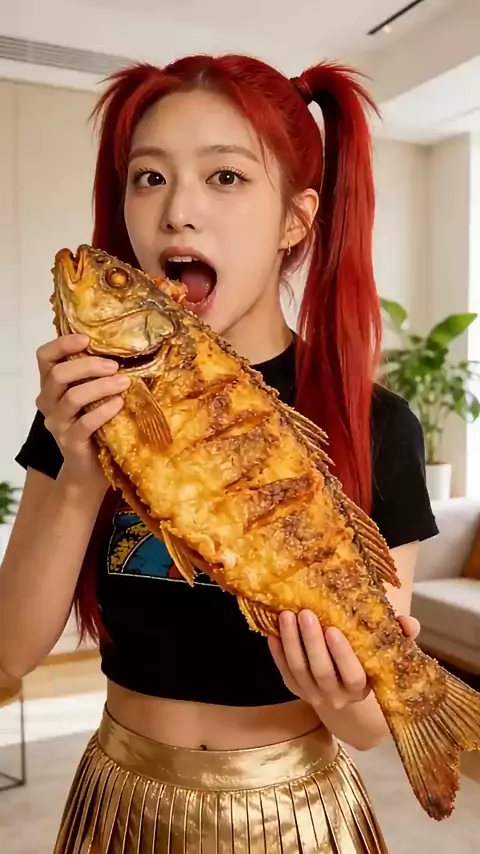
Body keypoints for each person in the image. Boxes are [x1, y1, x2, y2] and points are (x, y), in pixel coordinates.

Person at [0, 55, 438, 853]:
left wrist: (337, 692)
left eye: (225, 177)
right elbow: (13, 649)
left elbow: (371, 726)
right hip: (118, 807)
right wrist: (79, 471)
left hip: (295, 818)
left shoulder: (375, 424)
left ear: (295, 220)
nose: (178, 213)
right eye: (149, 178)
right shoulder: (81, 402)